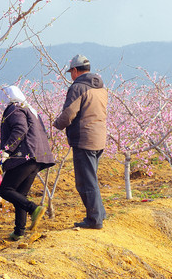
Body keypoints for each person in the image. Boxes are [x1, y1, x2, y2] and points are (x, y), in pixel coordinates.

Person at [53, 54, 107, 230]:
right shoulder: (101, 87)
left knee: (85, 181)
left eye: (71, 72)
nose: (71, 75)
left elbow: (69, 114)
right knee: (91, 178)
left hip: (84, 139)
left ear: (75, 71)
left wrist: (56, 124)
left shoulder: (78, 88)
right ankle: (100, 213)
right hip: (99, 138)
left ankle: (94, 220)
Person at [0, 85, 55, 241]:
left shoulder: (14, 108)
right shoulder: (30, 110)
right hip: (37, 156)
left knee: (5, 190)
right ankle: (19, 231)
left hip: (25, 156)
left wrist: (7, 150)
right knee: (20, 194)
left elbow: (20, 129)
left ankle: (33, 209)